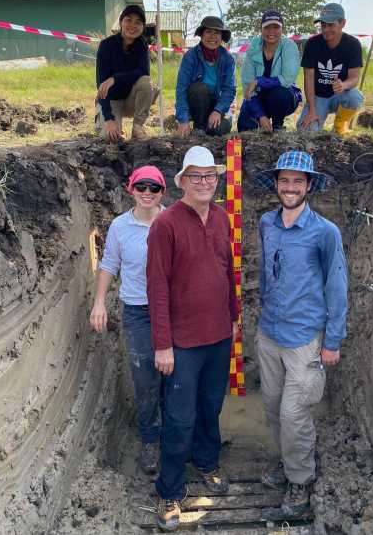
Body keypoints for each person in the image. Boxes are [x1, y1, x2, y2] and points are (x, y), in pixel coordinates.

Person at [147, 146, 239, 531]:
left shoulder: (220, 217)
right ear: (181, 181)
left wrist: (234, 318)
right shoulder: (165, 224)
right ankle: (169, 489)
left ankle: (206, 462)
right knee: (180, 417)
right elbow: (157, 288)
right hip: (182, 343)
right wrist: (163, 344)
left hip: (218, 335)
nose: (204, 183)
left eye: (210, 176)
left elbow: (228, 271)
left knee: (211, 405)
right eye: (196, 176)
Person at [254, 151, 348, 518]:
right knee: (273, 408)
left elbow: (337, 286)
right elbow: (265, 273)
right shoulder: (266, 222)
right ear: (276, 185)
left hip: (305, 338)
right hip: (269, 333)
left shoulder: (325, 232)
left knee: (296, 414)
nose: (290, 188)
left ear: (309, 185)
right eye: (284, 181)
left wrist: (333, 341)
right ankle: (288, 461)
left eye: (298, 181)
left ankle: (300, 478)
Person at [90, 165, 166, 475]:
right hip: (137, 311)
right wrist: (99, 303)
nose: (147, 193)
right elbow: (108, 264)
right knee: (146, 379)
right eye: (141, 187)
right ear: (130, 189)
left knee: (177, 377)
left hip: (174, 311)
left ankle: (176, 437)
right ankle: (151, 439)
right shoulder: (121, 227)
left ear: (163, 192)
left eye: (154, 188)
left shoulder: (174, 220)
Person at [297, 3, 363, 135]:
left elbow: (354, 78)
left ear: (343, 23)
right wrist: (312, 111)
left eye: (331, 25)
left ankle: (339, 126)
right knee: (305, 133)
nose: (326, 29)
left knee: (355, 96)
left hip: (339, 95)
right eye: (323, 25)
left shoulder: (353, 44)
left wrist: (344, 85)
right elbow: (308, 78)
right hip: (318, 97)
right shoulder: (312, 44)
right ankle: (314, 117)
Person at [95, 4, 154, 142]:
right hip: (111, 100)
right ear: (121, 22)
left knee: (146, 81)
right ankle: (101, 120)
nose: (132, 25)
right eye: (128, 20)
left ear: (143, 27)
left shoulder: (142, 44)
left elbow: (143, 71)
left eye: (138, 22)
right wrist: (109, 119)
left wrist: (115, 78)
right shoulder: (106, 45)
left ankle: (138, 127)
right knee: (109, 137)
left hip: (132, 99)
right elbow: (101, 85)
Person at [237, 9, 301, 133]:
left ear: (282, 29)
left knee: (279, 93)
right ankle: (262, 123)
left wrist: (258, 81)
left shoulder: (289, 46)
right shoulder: (253, 47)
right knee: (244, 127)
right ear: (261, 29)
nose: (271, 32)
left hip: (283, 96)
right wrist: (260, 115)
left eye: (276, 27)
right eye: (267, 27)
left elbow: (287, 79)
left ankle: (277, 126)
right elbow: (247, 86)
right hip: (258, 96)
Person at [175, 17, 235, 137]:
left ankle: (206, 128)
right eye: (208, 32)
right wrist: (183, 120)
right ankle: (198, 127)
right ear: (202, 34)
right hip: (196, 104)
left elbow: (229, 89)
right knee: (199, 88)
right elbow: (181, 89)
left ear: (221, 37)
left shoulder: (227, 58)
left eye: (217, 32)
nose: (212, 36)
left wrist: (218, 111)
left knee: (221, 129)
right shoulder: (190, 56)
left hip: (216, 106)